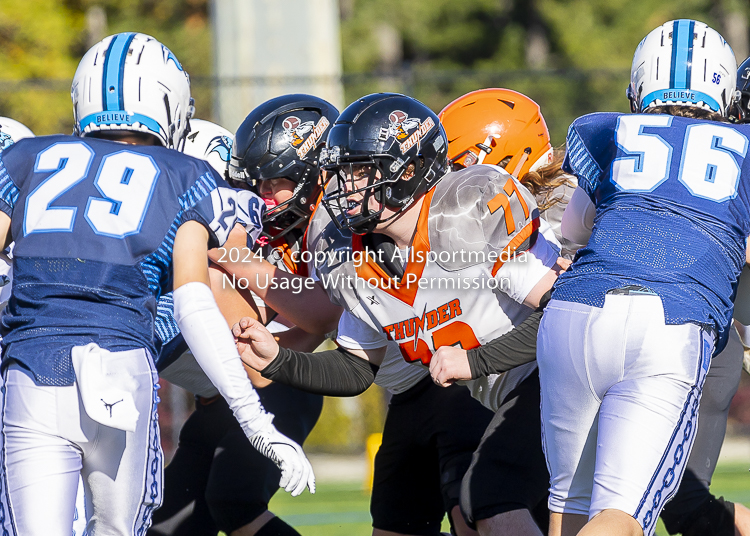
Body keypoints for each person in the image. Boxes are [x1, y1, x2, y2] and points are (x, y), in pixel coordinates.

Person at [0, 32, 312, 536]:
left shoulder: (28, 157)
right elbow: (195, 305)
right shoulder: (184, 174)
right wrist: (256, 423)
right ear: (170, 102)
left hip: (31, 372)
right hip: (122, 373)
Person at [232, 92, 567, 536]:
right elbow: (356, 367)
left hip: (552, 379)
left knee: (490, 499)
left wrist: (475, 362)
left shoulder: (462, 214)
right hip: (497, 395)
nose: (344, 189)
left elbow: (563, 312)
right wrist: (277, 360)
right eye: (341, 173)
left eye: (357, 172)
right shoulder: (353, 260)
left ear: (406, 170)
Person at [537, 19, 746, 536]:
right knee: (623, 519)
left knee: (570, 505)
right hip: (671, 320)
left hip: (574, 313)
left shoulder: (607, 130)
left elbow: (574, 229)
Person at [149, 111, 327, 536]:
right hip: (219, 400)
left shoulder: (235, 232)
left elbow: (312, 322)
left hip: (270, 386)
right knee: (168, 524)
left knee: (235, 501)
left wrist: (232, 260)